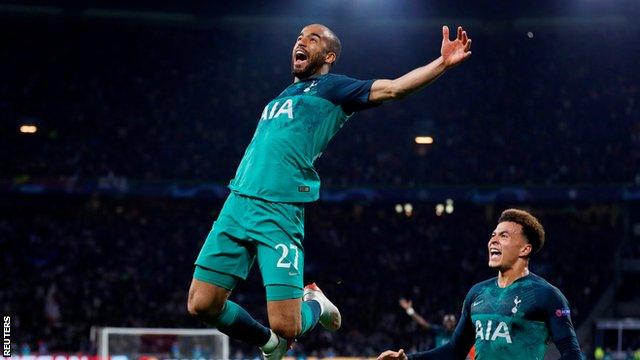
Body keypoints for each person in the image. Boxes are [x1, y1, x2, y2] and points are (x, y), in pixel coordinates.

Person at [186, 23, 473, 359]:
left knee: (288, 325)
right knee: (201, 304)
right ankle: (268, 345)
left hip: (279, 210)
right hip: (237, 203)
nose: (301, 41)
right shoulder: (279, 97)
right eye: (298, 37)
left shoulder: (333, 88)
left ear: (329, 55)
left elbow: (394, 89)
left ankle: (315, 303)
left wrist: (441, 63)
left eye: (313, 38)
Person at [378, 209, 584, 360]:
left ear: (525, 249)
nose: (493, 240)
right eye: (493, 235)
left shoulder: (547, 295)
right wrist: (408, 359)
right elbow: (455, 350)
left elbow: (572, 354)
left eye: (504, 236)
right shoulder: (477, 293)